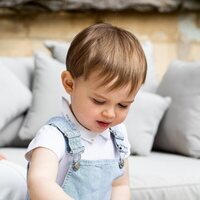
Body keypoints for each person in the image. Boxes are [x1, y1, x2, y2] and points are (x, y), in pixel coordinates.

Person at [25, 23, 147, 200]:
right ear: (69, 84)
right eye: (99, 101)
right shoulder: (53, 136)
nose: (110, 113)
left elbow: (120, 184)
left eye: (123, 105)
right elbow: (39, 183)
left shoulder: (118, 136)